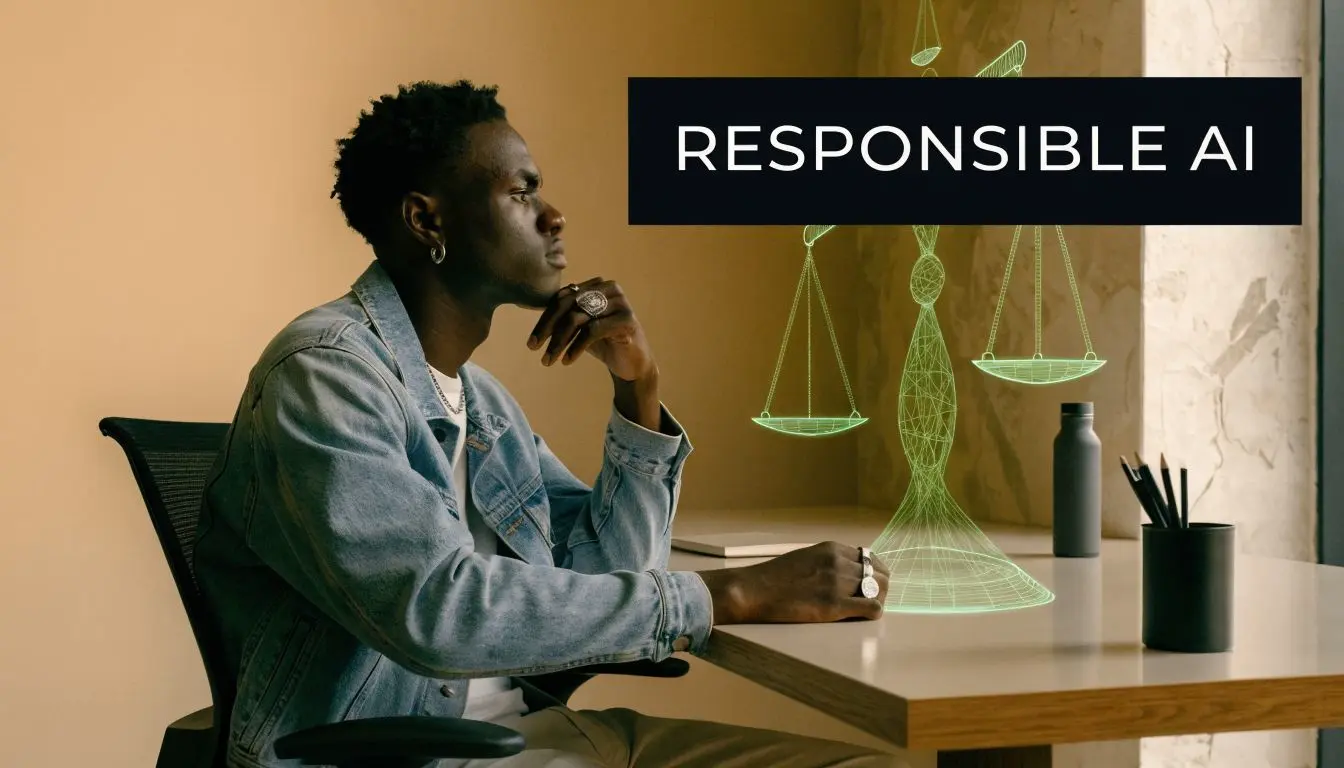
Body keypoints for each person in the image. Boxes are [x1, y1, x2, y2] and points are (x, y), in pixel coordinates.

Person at [193, 79, 900, 768]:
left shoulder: (484, 405)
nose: (553, 216)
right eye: (521, 192)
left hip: (547, 737)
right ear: (427, 220)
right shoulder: (324, 375)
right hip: (417, 754)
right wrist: (730, 594)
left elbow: (615, 573)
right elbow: (437, 610)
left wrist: (637, 389)